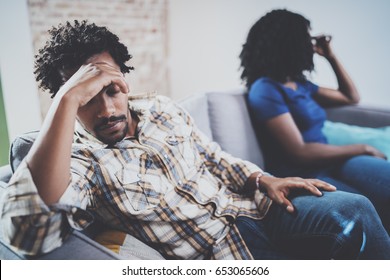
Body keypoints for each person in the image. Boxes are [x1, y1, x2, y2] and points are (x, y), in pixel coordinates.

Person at [1, 20, 389, 260]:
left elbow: (215, 157)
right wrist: (68, 97)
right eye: (86, 97)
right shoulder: (78, 157)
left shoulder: (159, 108)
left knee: (355, 209)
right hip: (223, 254)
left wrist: (261, 178)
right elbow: (27, 231)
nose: (106, 110)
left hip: (255, 209)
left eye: (111, 88)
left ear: (124, 78)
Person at [240, 9, 390, 233]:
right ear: (290, 43)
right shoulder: (265, 89)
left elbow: (350, 97)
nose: (311, 45)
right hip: (306, 171)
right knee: (367, 205)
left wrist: (330, 55)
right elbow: (299, 152)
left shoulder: (299, 84)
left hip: (334, 161)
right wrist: (362, 147)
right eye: (306, 39)